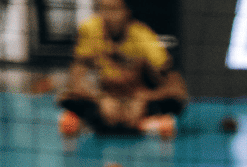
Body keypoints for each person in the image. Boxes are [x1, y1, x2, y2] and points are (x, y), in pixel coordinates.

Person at [58, 0, 187, 137]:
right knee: (68, 97)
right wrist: (99, 99)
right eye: (103, 9)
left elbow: (178, 90)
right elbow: (75, 80)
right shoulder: (89, 30)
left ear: (127, 12)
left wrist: (145, 98)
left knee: (175, 102)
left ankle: (93, 124)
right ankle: (147, 125)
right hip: (103, 100)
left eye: (115, 10)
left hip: (136, 101)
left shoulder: (144, 37)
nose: (107, 16)